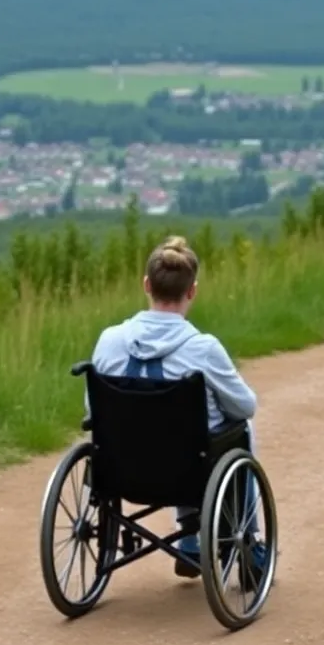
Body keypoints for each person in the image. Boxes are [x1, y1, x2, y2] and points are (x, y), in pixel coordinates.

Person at [89, 235, 262, 579]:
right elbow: (245, 406)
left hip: (119, 469)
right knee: (237, 429)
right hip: (188, 469)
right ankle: (245, 543)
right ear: (192, 291)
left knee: (179, 433)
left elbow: (92, 409)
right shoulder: (203, 349)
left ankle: (189, 545)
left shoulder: (109, 340)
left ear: (146, 285)